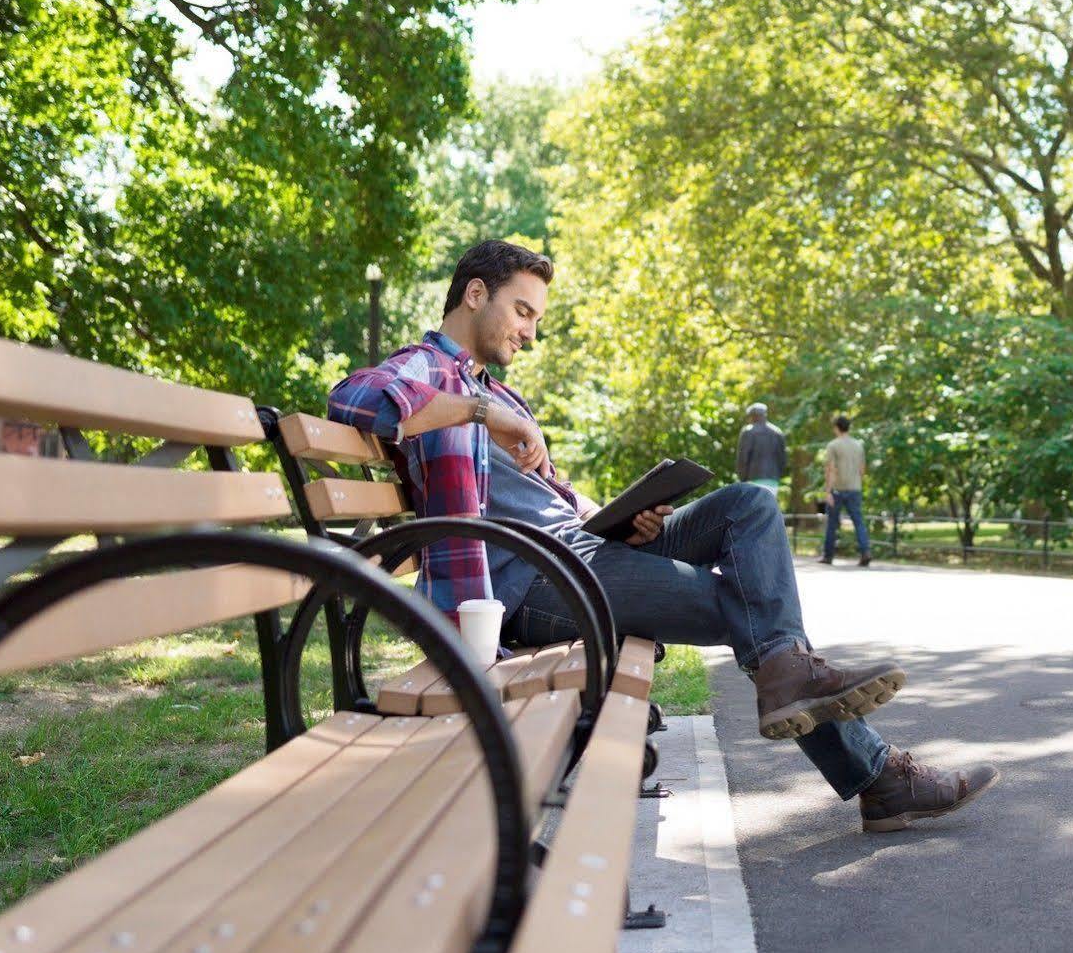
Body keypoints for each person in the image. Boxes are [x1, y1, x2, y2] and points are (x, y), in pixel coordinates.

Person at [330, 239, 999, 832]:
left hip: (585, 549)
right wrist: (483, 413)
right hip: (535, 583)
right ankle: (874, 772)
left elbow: (551, 501)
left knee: (746, 508)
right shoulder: (424, 371)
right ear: (475, 294)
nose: (531, 332)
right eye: (523, 311)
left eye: (536, 318)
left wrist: (629, 519)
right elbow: (352, 400)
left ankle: (804, 690)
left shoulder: (500, 394)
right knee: (750, 612)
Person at [821, 415, 872, 567]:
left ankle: (828, 556)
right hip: (855, 488)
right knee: (858, 522)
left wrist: (828, 491)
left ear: (836, 427)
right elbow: (862, 470)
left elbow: (831, 469)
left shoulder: (833, 445)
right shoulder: (858, 445)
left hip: (838, 489)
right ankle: (865, 552)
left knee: (832, 523)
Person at [735, 402, 788, 495]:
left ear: (752, 416)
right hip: (773, 480)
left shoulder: (748, 432)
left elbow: (743, 458)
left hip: (752, 479)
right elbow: (783, 459)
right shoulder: (777, 432)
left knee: (753, 508)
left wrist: (742, 478)